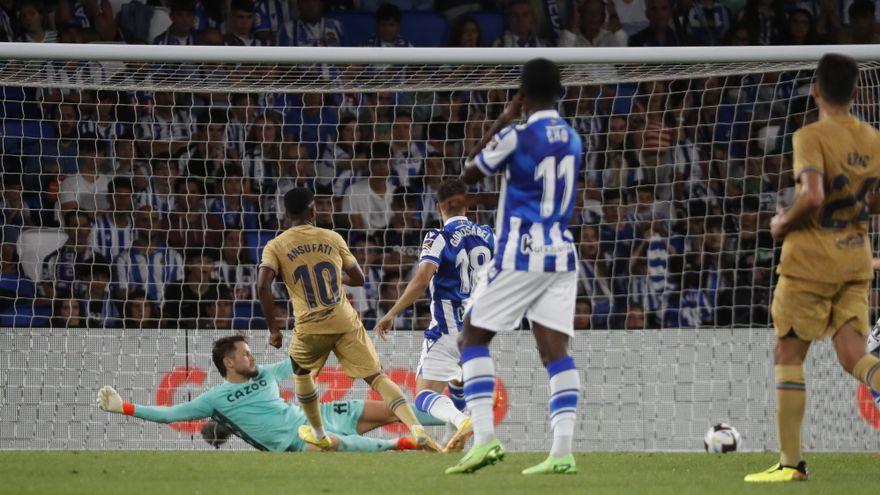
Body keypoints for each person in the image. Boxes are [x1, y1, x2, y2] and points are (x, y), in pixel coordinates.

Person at [744, 53, 880, 482]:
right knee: (854, 355)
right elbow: (876, 202)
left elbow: (815, 195)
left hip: (811, 263)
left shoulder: (809, 135)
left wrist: (782, 222)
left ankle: (791, 463)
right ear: (856, 92)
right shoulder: (874, 138)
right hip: (855, 256)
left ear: (817, 90)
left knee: (788, 352)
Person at [447, 58, 582, 475]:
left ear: (522, 94)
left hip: (521, 252)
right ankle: (562, 451)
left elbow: (466, 176)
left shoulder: (516, 135)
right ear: (558, 91)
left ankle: (485, 439)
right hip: (561, 253)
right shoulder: (574, 138)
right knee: (554, 352)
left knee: (471, 337)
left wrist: (502, 118)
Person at [256, 187, 439, 451]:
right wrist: (335, 278)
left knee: (301, 373)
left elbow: (263, 285)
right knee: (376, 377)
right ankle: (416, 427)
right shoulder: (332, 237)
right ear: (313, 208)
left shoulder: (276, 245)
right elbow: (359, 279)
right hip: (344, 320)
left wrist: (273, 329)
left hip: (310, 324)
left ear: (285, 213)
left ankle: (318, 432)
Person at [97, 335, 437, 452]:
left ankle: (452, 415)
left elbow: (301, 360)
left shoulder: (265, 374)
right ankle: (402, 445)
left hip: (324, 415)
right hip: (299, 442)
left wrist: (328, 333)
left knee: (394, 408)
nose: (252, 357)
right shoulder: (215, 399)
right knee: (329, 444)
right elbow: (167, 414)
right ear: (228, 361)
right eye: (245, 353)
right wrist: (121, 406)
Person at [374, 178, 494, 452]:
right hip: (480, 331)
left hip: (447, 331)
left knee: (424, 396)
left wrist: (392, 312)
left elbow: (421, 279)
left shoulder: (437, 237)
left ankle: (461, 421)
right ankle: (455, 444)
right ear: (466, 205)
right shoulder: (488, 235)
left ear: (438, 206)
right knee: (458, 382)